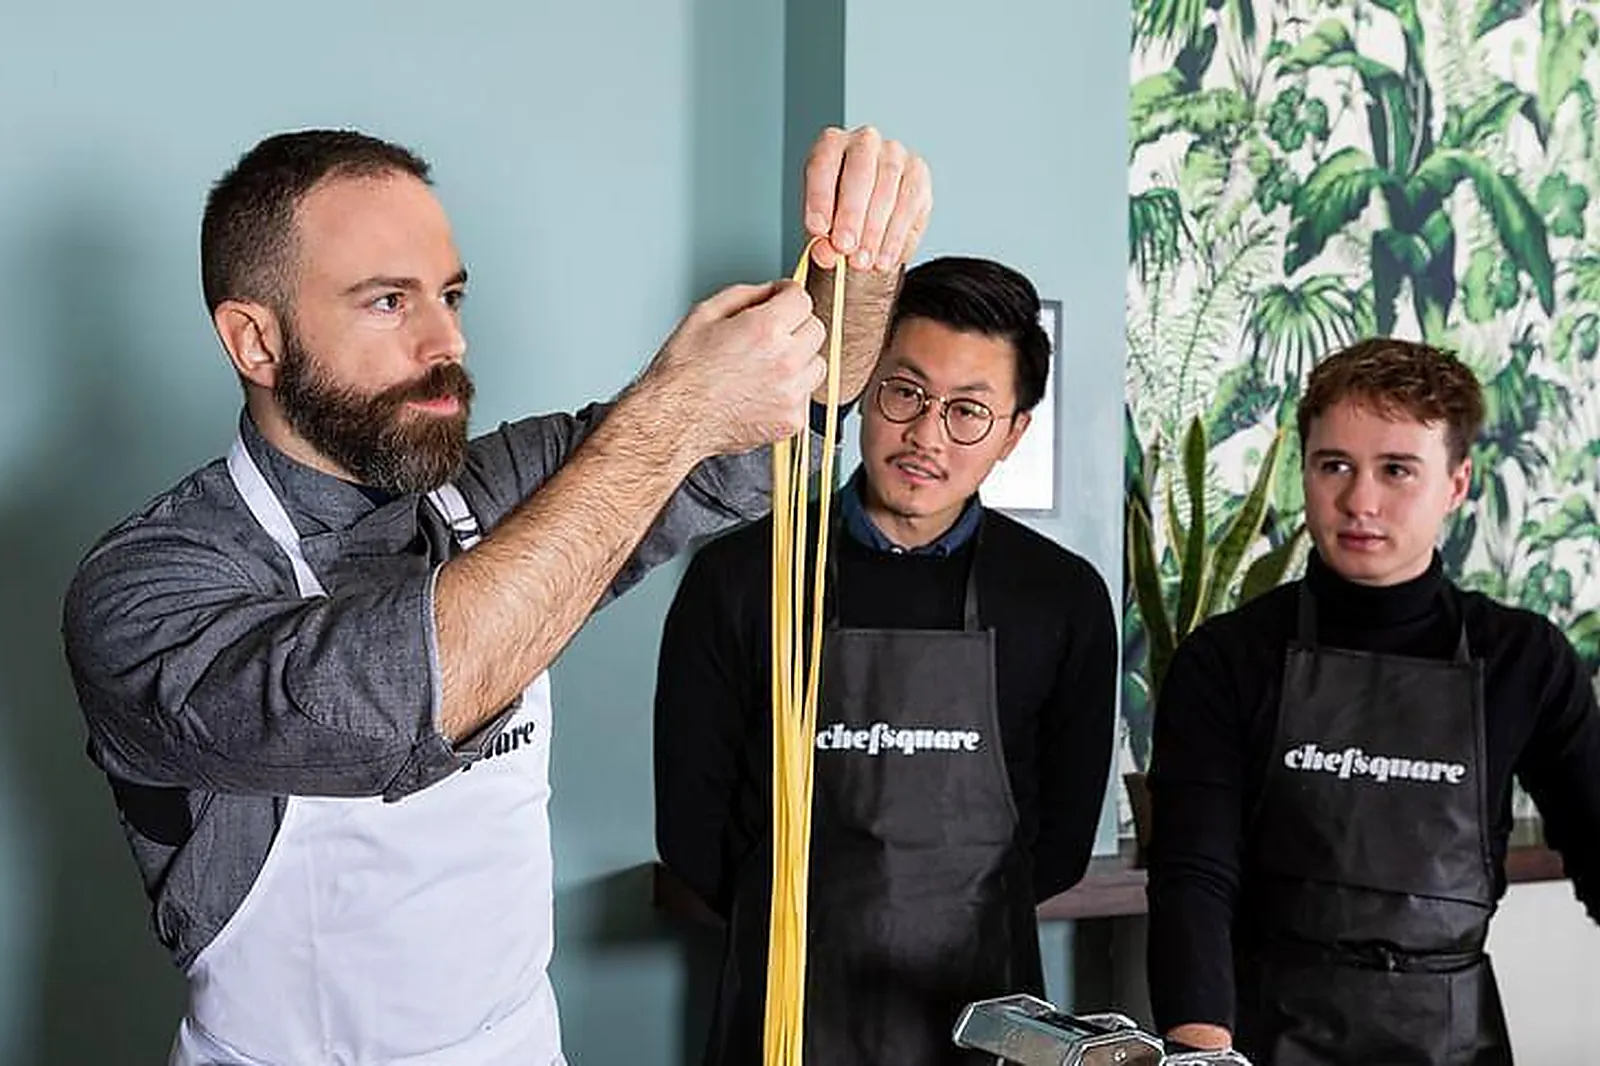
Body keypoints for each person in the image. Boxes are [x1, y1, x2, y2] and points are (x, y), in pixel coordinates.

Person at [60, 123, 931, 1066]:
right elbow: (404, 702)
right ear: (256, 340)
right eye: (389, 301)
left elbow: (777, 430)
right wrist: (671, 411)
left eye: (451, 294)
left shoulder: (491, 491)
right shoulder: (147, 587)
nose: (450, 340)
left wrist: (862, 260)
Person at [654, 255, 1118, 1066]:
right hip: (786, 1014)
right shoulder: (743, 577)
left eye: (968, 411)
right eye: (906, 393)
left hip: (983, 1020)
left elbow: (1059, 848)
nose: (926, 436)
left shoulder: (1062, 599)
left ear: (1013, 433)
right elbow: (692, 832)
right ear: (865, 386)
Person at [1145, 338, 1600, 1065]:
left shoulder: (1524, 661)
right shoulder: (1226, 659)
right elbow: (1193, 878)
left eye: (1396, 470)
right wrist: (1202, 1053)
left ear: (1456, 482)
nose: (1360, 501)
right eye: (1334, 466)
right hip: (1264, 1038)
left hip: (1452, 1042)